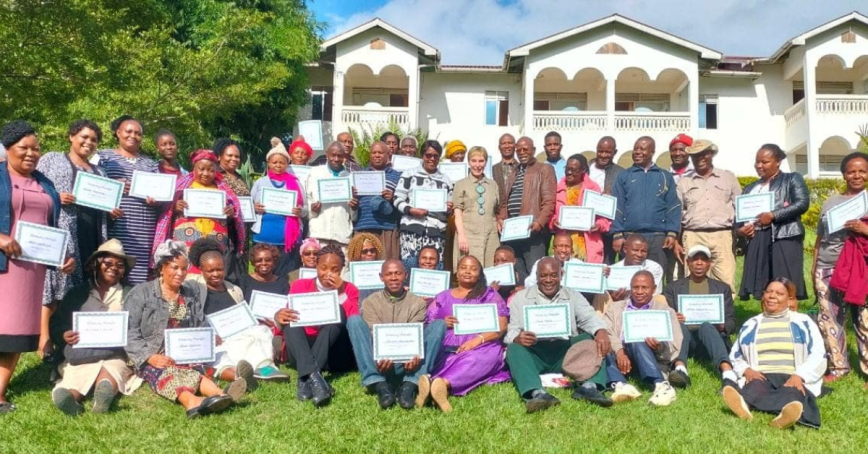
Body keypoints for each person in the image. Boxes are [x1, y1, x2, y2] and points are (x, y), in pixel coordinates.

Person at [125, 240, 247, 419]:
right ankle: (191, 402)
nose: (180, 273)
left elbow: (200, 322)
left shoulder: (190, 292)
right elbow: (129, 331)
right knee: (166, 370)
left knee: (192, 368)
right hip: (150, 353)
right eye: (174, 268)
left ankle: (219, 394)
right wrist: (150, 356)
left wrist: (208, 336)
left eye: (184, 269)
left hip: (182, 352)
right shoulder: (141, 292)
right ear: (161, 268)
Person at [0, 121, 69, 414]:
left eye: (36, 148)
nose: (31, 153)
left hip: (30, 273)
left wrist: (62, 255)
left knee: (14, 331)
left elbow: (53, 225)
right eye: (23, 148)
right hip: (3, 265)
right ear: (8, 149)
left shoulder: (45, 183)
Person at [505, 258, 611, 412]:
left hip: (566, 352)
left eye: (553, 275)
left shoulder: (572, 295)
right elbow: (512, 329)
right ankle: (537, 394)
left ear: (561, 274)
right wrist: (517, 337)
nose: (548, 280)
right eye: (543, 276)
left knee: (594, 341)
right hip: (535, 351)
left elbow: (589, 317)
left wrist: (601, 331)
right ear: (537, 276)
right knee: (514, 349)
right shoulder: (520, 298)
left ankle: (589, 388)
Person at [48, 239, 142, 415]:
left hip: (117, 351)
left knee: (113, 367)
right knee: (77, 369)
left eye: (119, 265)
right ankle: (69, 397)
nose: (113, 267)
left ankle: (102, 398)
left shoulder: (132, 294)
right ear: (96, 265)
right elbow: (56, 322)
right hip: (83, 352)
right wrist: (64, 334)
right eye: (108, 263)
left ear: (124, 271)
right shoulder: (77, 293)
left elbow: (140, 325)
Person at [36, 120, 118, 313]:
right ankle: (51, 335)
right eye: (84, 137)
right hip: (63, 233)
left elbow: (104, 204)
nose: (89, 142)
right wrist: (55, 196)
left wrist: (111, 211)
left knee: (87, 287)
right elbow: (35, 186)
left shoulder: (100, 172)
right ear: (71, 136)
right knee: (59, 283)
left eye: (94, 139)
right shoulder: (52, 159)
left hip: (92, 235)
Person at [722, 279, 825, 429]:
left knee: (792, 393)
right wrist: (746, 370)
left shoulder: (803, 322)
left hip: (791, 375)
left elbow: (818, 353)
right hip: (762, 375)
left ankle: (784, 416)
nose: (772, 296)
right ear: (763, 296)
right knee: (753, 389)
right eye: (769, 292)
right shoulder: (751, 324)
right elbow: (736, 354)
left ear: (788, 299)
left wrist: (800, 376)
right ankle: (743, 406)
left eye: (779, 293)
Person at [346, 260, 446, 409]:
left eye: (398, 273)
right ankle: (378, 383)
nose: (393, 278)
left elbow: (413, 337)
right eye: (389, 274)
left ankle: (410, 384)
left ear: (405, 275)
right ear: (381, 277)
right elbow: (374, 335)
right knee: (354, 320)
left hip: (409, 363)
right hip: (379, 362)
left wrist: (412, 356)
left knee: (439, 325)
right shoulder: (370, 302)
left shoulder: (417, 303)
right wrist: (381, 358)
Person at [189, 238, 287, 385]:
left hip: (236, 333)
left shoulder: (234, 289)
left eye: (220, 269)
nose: (216, 274)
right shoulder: (194, 288)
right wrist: (208, 334)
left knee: (261, 332)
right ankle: (242, 374)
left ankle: (265, 368)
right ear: (201, 270)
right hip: (214, 338)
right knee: (223, 353)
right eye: (210, 270)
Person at [275, 245, 359, 407]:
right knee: (290, 319)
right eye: (323, 268)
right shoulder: (300, 286)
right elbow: (284, 321)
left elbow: (354, 321)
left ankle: (305, 378)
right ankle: (315, 377)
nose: (328, 273)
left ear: (342, 270)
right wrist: (278, 316)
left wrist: (340, 291)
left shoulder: (349, 288)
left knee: (339, 312)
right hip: (302, 349)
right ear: (316, 267)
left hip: (334, 352)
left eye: (334, 269)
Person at [424, 256, 509, 412]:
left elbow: (502, 327)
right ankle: (434, 386)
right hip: (448, 346)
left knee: (477, 358)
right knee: (445, 358)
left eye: (473, 268)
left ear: (480, 273)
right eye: (463, 267)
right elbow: (430, 325)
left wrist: (477, 340)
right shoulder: (442, 296)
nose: (468, 271)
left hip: (482, 345)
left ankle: (442, 385)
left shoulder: (489, 295)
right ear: (457, 272)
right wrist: (443, 322)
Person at [813, 151, 868, 382]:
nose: (857, 175)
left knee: (864, 319)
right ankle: (838, 367)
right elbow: (819, 237)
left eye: (862, 171)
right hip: (827, 265)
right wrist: (814, 266)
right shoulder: (830, 202)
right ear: (844, 175)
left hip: (860, 268)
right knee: (830, 318)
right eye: (851, 171)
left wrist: (864, 230)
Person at [153, 149, 245, 277]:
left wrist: (231, 213)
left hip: (215, 242)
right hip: (186, 241)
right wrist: (174, 208)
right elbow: (166, 211)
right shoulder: (181, 186)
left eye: (211, 170)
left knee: (212, 274)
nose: (206, 173)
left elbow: (235, 217)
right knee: (186, 274)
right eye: (201, 169)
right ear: (194, 167)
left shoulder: (223, 189)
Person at [738, 144, 809, 301]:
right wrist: (741, 230)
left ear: (778, 161)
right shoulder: (751, 188)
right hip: (758, 238)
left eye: (764, 162)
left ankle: (791, 320)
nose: (759, 165)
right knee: (763, 285)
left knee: (786, 283)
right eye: (757, 161)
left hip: (784, 236)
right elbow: (740, 216)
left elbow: (802, 203)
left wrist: (773, 215)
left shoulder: (791, 179)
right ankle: (766, 319)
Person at [95, 115, 160, 284]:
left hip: (144, 230)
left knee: (139, 278)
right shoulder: (103, 157)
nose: (133, 136)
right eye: (128, 131)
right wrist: (112, 185)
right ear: (118, 132)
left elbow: (161, 193)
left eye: (138, 133)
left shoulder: (151, 164)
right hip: (116, 225)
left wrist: (156, 199)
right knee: (112, 271)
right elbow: (90, 183)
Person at [663, 245, 737, 388]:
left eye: (703, 260)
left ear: (710, 263)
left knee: (706, 325)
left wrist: (722, 326)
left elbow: (731, 321)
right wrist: (673, 318)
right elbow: (666, 317)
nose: (699, 263)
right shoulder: (673, 288)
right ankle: (680, 369)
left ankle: (728, 374)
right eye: (694, 259)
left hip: (711, 339)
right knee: (679, 325)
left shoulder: (722, 288)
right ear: (687, 262)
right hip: (686, 341)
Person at [604, 271, 681, 406]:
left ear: (654, 289)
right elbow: (607, 332)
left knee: (635, 338)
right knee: (601, 347)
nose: (639, 291)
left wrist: (659, 347)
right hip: (620, 358)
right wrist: (620, 351)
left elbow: (675, 346)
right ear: (630, 287)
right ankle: (622, 386)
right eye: (635, 287)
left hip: (650, 358)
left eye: (644, 288)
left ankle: (661, 385)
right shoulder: (615, 308)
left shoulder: (666, 312)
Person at [611, 136, 680, 285]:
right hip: (630, 235)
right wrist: (617, 234)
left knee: (655, 278)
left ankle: (655, 306)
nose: (637, 152)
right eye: (635, 148)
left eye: (642, 149)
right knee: (627, 280)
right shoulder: (624, 176)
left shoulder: (665, 176)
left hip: (657, 238)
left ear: (652, 151)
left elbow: (673, 205)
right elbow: (617, 205)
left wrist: (672, 233)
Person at [675, 140, 742, 292]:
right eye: (695, 155)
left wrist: (742, 230)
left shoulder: (728, 178)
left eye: (704, 153)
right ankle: (694, 313)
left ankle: (726, 315)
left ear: (711, 154)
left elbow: (740, 206)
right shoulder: (684, 182)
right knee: (693, 280)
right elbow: (677, 213)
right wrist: (676, 241)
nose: (700, 158)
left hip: (722, 235)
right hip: (693, 235)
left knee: (725, 279)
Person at [497, 137, 556, 278]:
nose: (522, 152)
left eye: (525, 149)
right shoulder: (514, 172)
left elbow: (549, 201)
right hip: (513, 234)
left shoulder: (544, 169)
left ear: (534, 150)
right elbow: (505, 201)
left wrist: (540, 222)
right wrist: (501, 218)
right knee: (517, 274)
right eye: (519, 150)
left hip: (533, 234)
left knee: (534, 273)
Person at [394, 140, 454, 271]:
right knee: (409, 268)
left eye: (436, 156)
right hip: (411, 231)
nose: (432, 159)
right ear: (422, 155)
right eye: (428, 155)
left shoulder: (446, 180)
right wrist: (411, 210)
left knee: (433, 269)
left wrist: (449, 209)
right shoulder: (409, 174)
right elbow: (397, 199)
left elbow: (449, 209)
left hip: (436, 232)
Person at [251, 140, 305, 278]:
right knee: (263, 275)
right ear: (268, 163)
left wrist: (300, 211)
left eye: (282, 162)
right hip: (263, 238)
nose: (278, 165)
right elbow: (248, 207)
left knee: (286, 277)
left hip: (288, 241)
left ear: (287, 164)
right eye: (274, 162)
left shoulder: (296, 183)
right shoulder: (260, 183)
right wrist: (255, 208)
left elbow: (306, 209)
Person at [551, 154, 610, 264]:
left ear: (583, 170)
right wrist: (554, 221)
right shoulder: (558, 188)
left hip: (588, 242)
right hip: (564, 241)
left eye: (574, 170)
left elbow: (604, 219)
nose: (569, 172)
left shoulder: (593, 188)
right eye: (567, 169)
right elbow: (552, 212)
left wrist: (599, 225)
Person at [591, 233, 664, 315]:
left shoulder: (654, 268)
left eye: (643, 251)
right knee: (601, 295)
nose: (639, 254)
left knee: (660, 298)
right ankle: (600, 326)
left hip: (645, 306)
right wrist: (613, 297)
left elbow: (654, 294)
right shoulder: (612, 270)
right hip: (617, 307)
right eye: (635, 250)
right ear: (625, 249)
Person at [305, 141, 358, 254]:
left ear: (344, 157)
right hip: (319, 233)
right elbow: (306, 200)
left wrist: (354, 206)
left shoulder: (350, 178)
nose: (336, 159)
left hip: (342, 235)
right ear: (327, 155)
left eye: (340, 156)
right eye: (333, 155)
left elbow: (353, 216)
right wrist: (312, 209)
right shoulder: (315, 174)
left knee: (341, 270)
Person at [453, 146, 499, 268]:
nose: (477, 165)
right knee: (470, 270)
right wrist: (462, 236)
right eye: (474, 161)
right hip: (469, 235)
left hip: (490, 236)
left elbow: (496, 211)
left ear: (486, 162)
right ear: (469, 162)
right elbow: (457, 213)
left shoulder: (492, 185)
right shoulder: (461, 184)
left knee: (490, 270)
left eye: (481, 161)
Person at [354, 141, 401, 259]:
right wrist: (353, 198)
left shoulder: (397, 176)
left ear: (387, 155)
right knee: (364, 267)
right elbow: (354, 203)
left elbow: (403, 202)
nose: (377, 155)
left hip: (387, 229)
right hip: (363, 227)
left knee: (387, 266)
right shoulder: (360, 175)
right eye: (374, 152)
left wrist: (392, 198)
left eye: (380, 152)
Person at [588, 136, 624, 264]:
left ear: (614, 152)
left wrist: (613, 195)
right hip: (586, 226)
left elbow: (623, 201)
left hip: (608, 229)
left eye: (608, 152)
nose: (603, 155)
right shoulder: (585, 169)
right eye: (600, 151)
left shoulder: (621, 174)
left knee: (606, 264)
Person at [346, 232, 385, 302]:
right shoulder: (349, 276)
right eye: (364, 251)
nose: (369, 254)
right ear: (356, 253)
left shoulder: (384, 272)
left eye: (372, 251)